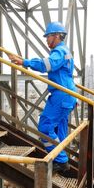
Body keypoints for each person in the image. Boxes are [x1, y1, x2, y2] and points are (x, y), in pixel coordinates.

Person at [8, 21, 76, 176]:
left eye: (48, 37)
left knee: (45, 127)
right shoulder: (65, 50)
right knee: (59, 130)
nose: (46, 40)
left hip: (61, 94)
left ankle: (62, 161)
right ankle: (62, 161)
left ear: (57, 36)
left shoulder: (58, 51)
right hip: (68, 94)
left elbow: (47, 64)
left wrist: (25, 62)